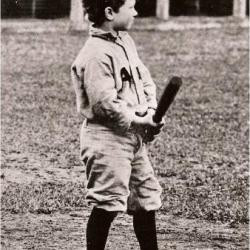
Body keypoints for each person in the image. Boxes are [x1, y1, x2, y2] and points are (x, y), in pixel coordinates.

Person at [71, 0, 164, 249]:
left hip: (133, 136)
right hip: (106, 139)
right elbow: (104, 105)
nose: (136, 11)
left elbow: (145, 81)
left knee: (145, 198)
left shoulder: (125, 42)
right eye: (131, 7)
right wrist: (138, 120)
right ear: (110, 12)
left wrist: (151, 112)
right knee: (108, 202)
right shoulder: (94, 53)